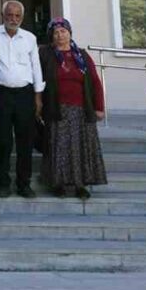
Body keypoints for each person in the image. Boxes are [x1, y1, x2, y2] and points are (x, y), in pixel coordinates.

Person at [40, 19, 107, 200]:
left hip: (81, 110)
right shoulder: (46, 54)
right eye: (55, 33)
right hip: (57, 109)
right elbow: (37, 78)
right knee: (59, 148)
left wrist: (99, 107)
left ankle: (80, 185)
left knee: (79, 149)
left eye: (63, 31)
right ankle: (59, 185)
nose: (60, 35)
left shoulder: (82, 55)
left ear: (70, 33)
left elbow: (95, 82)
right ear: (51, 37)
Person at [0, 0, 44, 199]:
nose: (13, 19)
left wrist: (38, 97)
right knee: (2, 141)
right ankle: (3, 183)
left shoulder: (29, 38)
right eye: (10, 15)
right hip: (1, 93)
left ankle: (24, 184)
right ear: (3, 15)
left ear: (22, 17)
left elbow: (36, 67)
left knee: (25, 142)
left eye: (17, 15)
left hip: (25, 94)